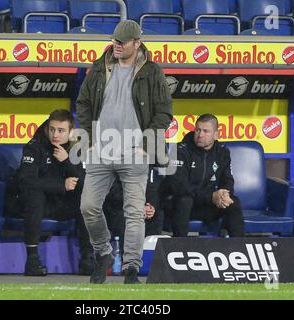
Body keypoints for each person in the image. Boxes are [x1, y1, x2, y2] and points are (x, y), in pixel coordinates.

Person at [76, 20, 173, 284]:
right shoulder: (99, 66)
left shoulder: (153, 72)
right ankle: (104, 253)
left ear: (137, 43)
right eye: (115, 41)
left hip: (134, 151)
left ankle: (131, 268)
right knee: (88, 206)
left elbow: (164, 112)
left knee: (134, 212)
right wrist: (89, 139)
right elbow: (83, 103)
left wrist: (146, 145)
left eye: (122, 42)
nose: (116, 45)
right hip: (101, 151)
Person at [5, 109, 94, 276]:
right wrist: (61, 185)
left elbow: (86, 183)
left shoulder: (77, 149)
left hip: (57, 203)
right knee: (35, 195)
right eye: (52, 129)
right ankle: (32, 260)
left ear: (71, 131)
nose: (55, 134)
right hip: (26, 204)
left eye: (61, 131)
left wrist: (67, 161)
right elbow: (27, 180)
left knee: (86, 199)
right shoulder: (35, 145)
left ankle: (87, 259)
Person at [164, 113, 244, 238]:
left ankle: (239, 250)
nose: (200, 135)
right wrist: (210, 196)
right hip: (179, 205)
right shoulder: (179, 150)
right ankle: (179, 246)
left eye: (206, 131)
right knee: (185, 200)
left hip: (206, 205)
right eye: (198, 130)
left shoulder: (222, 152)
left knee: (233, 203)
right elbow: (180, 187)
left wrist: (224, 194)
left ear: (216, 134)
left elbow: (228, 180)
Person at [104, 167, 165, 254]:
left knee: (158, 214)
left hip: (140, 209)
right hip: (118, 209)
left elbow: (152, 190)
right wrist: (137, 207)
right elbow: (114, 195)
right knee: (122, 217)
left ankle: (150, 256)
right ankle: (126, 258)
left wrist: (151, 206)